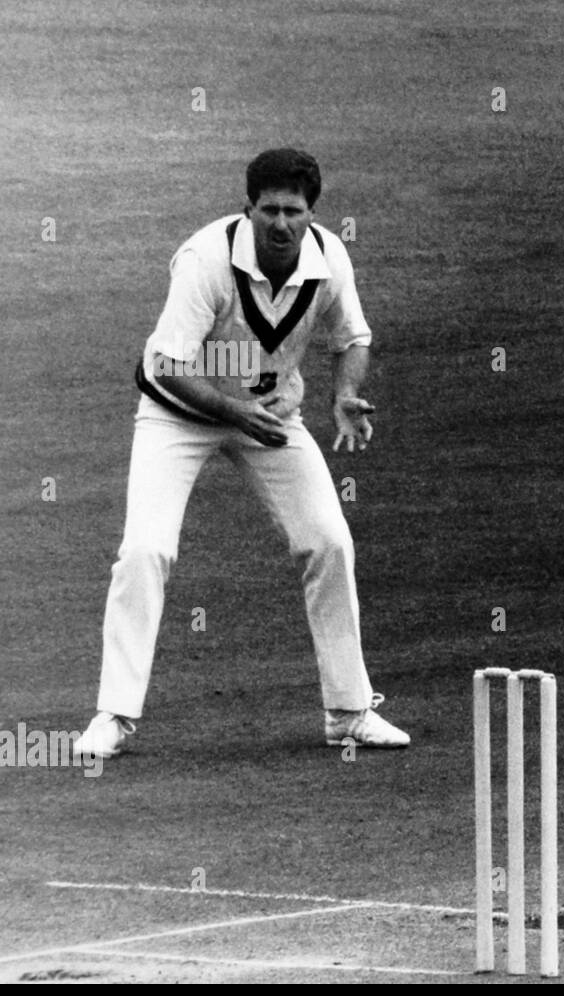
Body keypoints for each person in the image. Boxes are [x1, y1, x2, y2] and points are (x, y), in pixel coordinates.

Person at [73, 148, 408, 759]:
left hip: (272, 417)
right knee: (146, 549)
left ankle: (350, 712)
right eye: (270, 210)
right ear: (247, 207)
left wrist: (345, 395)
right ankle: (113, 717)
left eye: (295, 211)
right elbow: (166, 365)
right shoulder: (205, 260)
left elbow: (352, 338)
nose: (282, 224)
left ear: (312, 214)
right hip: (178, 415)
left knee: (329, 542)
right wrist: (230, 410)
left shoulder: (330, 258)